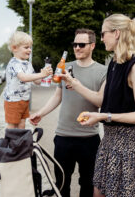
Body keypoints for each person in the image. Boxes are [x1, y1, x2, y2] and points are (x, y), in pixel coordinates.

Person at [61, 14, 135, 197]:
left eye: (103, 34)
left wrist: (103, 116)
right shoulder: (113, 64)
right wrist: (75, 85)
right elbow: (101, 99)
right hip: (108, 144)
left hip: (128, 148)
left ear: (116, 33)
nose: (101, 39)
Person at [30, 28, 107, 197]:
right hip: (63, 137)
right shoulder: (65, 67)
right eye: (74, 44)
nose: (77, 48)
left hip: (89, 139)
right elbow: (58, 96)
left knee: (87, 184)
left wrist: (77, 85)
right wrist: (41, 113)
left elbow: (100, 101)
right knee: (61, 183)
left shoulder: (103, 71)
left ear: (92, 45)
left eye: (81, 44)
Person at [3, 31, 53, 129]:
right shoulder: (14, 63)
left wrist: (44, 75)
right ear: (14, 48)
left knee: (22, 124)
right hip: (13, 100)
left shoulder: (28, 64)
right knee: (12, 124)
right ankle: (9, 143)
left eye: (30, 47)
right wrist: (41, 74)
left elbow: (37, 82)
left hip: (25, 100)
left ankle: (20, 143)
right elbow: (24, 78)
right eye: (26, 47)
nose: (29, 50)